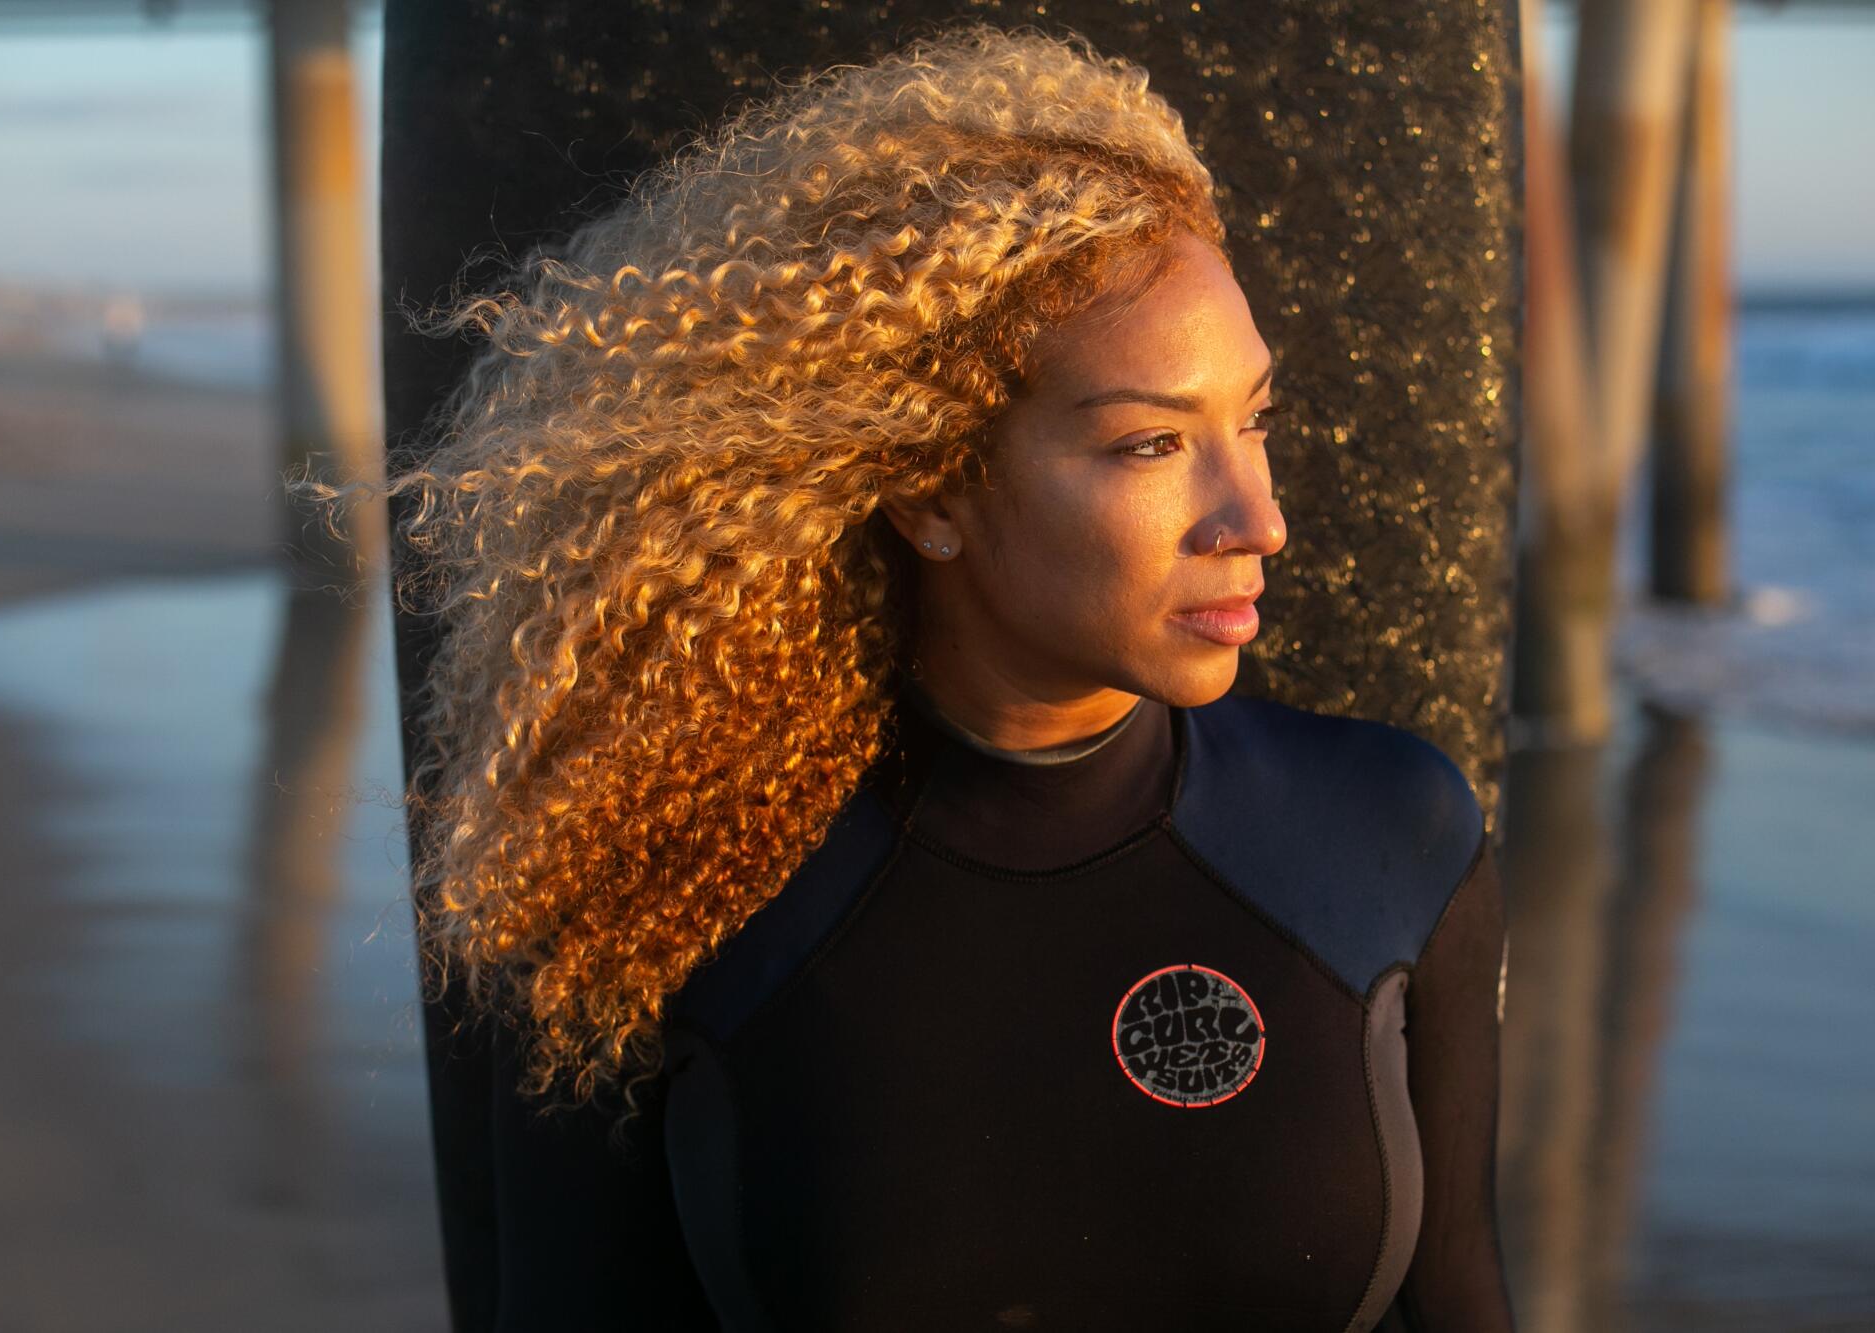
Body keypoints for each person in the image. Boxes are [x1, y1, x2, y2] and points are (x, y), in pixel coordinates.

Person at [308, 20, 1516, 1332]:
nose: (1258, 516)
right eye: (1154, 443)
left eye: (1255, 420)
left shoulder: (1393, 833)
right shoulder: (651, 906)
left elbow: (1461, 1293)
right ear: (934, 491)